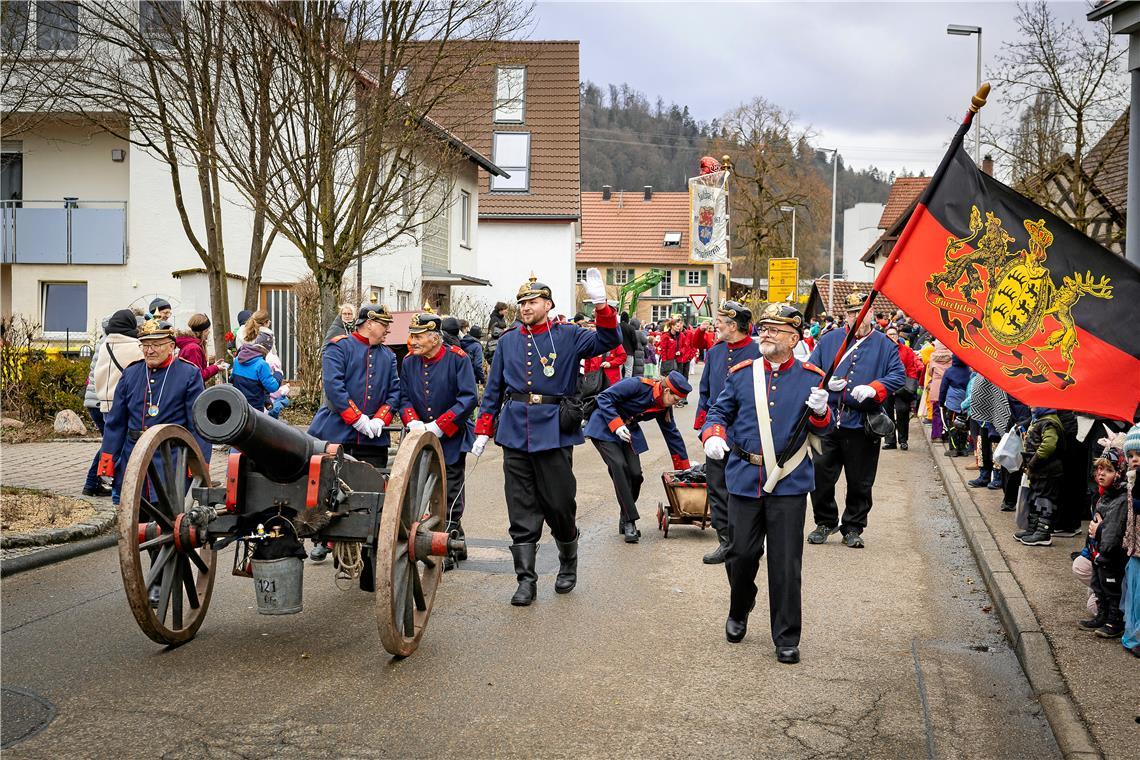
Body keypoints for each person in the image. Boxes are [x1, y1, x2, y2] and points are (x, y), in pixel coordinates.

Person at [471, 269, 618, 606]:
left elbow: (608, 341)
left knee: (559, 503)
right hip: (514, 429)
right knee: (520, 505)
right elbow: (494, 390)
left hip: (553, 429)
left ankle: (568, 560)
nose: (525, 307)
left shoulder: (567, 334)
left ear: (548, 304)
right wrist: (483, 429)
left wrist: (601, 305)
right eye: (522, 302)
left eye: (533, 301)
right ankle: (526, 580)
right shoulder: (508, 340)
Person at [700, 304, 834, 664]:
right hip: (745, 479)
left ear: (795, 338)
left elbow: (824, 431)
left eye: (777, 329)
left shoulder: (811, 378)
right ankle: (740, 607)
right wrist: (712, 434)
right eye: (764, 327)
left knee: (786, 563)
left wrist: (822, 412)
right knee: (741, 554)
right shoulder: (743, 374)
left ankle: (786, 636)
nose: (767, 333)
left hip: (789, 483)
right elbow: (719, 412)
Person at [806, 292, 905, 549]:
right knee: (820, 475)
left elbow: (898, 375)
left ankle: (853, 526)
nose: (856, 317)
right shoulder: (829, 341)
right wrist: (826, 384)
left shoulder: (884, 344)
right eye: (851, 313)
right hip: (827, 420)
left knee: (860, 480)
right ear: (845, 315)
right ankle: (825, 521)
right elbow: (811, 371)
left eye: (860, 312)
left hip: (861, 424)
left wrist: (876, 387)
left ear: (871, 313)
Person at [97, 323, 210, 507]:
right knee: (135, 514)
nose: (150, 351)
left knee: (168, 516)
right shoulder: (131, 373)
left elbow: (197, 425)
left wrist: (199, 464)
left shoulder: (188, 374)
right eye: (145, 345)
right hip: (134, 458)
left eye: (156, 345)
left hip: (172, 461)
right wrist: (108, 461)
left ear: (171, 346)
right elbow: (116, 422)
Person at [399, 311, 478, 571]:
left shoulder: (458, 359)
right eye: (412, 335)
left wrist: (441, 425)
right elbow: (403, 397)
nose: (414, 341)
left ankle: (448, 543)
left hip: (452, 436)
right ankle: (455, 536)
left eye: (419, 336)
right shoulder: (410, 362)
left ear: (435, 338)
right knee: (423, 488)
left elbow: (468, 398)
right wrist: (411, 420)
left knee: (451, 489)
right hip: (420, 435)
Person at [584, 371, 691, 543]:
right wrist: (617, 425)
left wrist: (685, 468)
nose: (676, 403)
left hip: (627, 431)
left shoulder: (664, 406)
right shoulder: (638, 384)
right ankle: (630, 521)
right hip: (604, 425)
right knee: (619, 466)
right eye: (675, 399)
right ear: (666, 391)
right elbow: (604, 397)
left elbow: (672, 435)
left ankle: (625, 512)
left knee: (635, 475)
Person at [693, 302, 760, 565]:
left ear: (733, 325)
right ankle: (726, 542)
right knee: (717, 487)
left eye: (720, 321)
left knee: (745, 488)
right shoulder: (716, 351)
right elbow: (706, 390)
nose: (715, 324)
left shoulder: (757, 352)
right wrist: (704, 427)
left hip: (746, 430)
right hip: (717, 430)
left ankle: (751, 540)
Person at [1078, 448, 1129, 638]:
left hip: (1110, 556)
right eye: (1099, 469)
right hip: (1097, 554)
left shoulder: (1121, 499)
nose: (1101, 473)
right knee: (1098, 586)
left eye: (1107, 470)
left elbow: (1113, 530)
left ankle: (1114, 621)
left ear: (1118, 474)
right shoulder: (1104, 496)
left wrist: (1104, 552)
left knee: (1111, 589)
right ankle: (1102, 615)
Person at [1014, 407, 1067, 546]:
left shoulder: (1049, 423)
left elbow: (1048, 446)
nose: (1031, 406)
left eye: (1035, 404)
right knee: (1035, 498)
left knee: (1045, 500)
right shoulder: (1040, 420)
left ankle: (1043, 533)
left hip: (1048, 471)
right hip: (1039, 471)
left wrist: (1033, 461)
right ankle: (1033, 529)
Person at [82, 315, 113, 497]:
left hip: (95, 400)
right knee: (110, 442)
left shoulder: (104, 341)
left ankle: (96, 483)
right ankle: (91, 483)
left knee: (109, 442)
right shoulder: (109, 344)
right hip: (100, 401)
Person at [881, 325, 921, 451]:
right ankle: (890, 441)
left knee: (902, 412)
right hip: (887, 386)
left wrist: (910, 383)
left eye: (894, 334)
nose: (892, 336)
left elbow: (911, 368)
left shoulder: (906, 350)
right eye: (889, 334)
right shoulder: (882, 351)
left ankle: (903, 440)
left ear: (898, 336)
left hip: (902, 386)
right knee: (887, 414)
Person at [1121, 424, 1140, 656]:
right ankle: (1134, 634)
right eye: (1131, 455)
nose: (1134, 460)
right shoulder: (1132, 478)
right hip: (1134, 546)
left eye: (1139, 454)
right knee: (1134, 593)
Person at [231, 328, 281, 411]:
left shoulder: (237, 359)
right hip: (254, 409)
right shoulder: (261, 364)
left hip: (238, 405)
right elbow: (272, 387)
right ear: (268, 349)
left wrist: (266, 398)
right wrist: (278, 374)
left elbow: (232, 380)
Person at [175, 313, 228, 382]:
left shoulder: (191, 345)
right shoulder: (193, 349)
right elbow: (197, 377)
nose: (208, 332)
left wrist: (214, 366)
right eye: (207, 330)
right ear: (201, 332)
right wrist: (216, 368)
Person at [938, 355, 971, 457]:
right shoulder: (969, 371)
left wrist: (941, 402)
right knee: (964, 425)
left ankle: (954, 449)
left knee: (952, 425)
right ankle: (964, 448)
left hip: (952, 403)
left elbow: (943, 388)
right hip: (965, 403)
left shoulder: (949, 371)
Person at [457, 320, 487, 386]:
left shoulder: (460, 342)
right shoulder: (477, 346)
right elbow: (478, 365)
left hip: (459, 376)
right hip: (471, 378)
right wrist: (482, 379)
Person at [619, 312, 638, 378]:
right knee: (628, 370)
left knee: (618, 371)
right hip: (629, 352)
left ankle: (618, 385)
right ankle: (627, 385)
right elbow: (634, 341)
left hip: (618, 352)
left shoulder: (617, 327)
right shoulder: (631, 328)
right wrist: (634, 349)